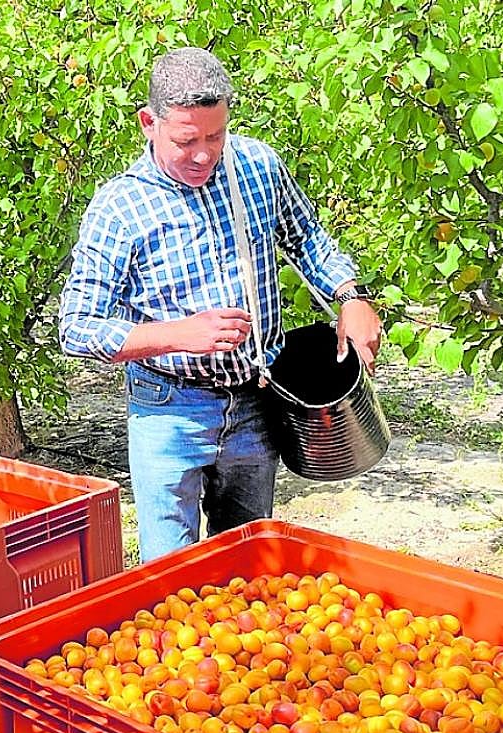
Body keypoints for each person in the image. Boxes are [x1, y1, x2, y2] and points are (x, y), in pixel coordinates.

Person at [59, 47, 382, 564]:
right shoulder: (120, 209)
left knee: (246, 565)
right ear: (149, 124)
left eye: (215, 137)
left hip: (256, 400)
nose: (204, 155)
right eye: (186, 141)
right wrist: (178, 334)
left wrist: (351, 296)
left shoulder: (257, 167)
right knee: (170, 574)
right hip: (170, 408)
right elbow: (77, 327)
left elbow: (307, 239)